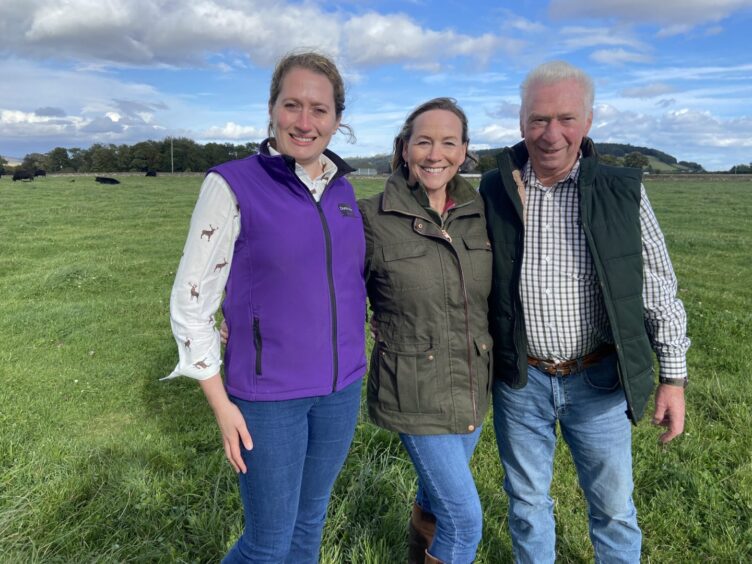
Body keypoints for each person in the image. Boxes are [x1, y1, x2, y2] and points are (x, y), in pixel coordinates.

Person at [479, 61, 690, 563]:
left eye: (566, 119)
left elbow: (659, 287)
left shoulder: (623, 191)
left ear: (589, 122)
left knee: (613, 508)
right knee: (528, 503)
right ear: (521, 122)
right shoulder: (494, 189)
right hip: (521, 381)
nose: (551, 133)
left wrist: (673, 379)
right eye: (538, 119)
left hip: (597, 379)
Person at [165, 51, 366, 563]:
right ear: (271, 109)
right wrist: (221, 403)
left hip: (341, 391)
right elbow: (191, 302)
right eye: (292, 105)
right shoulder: (232, 184)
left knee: (309, 522)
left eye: (319, 110)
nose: (305, 121)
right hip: (269, 398)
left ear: (337, 120)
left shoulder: (343, 190)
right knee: (267, 544)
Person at [359, 98, 493, 564]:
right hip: (414, 388)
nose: (436, 154)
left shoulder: (479, 211)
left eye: (448, 142)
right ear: (405, 148)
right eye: (424, 141)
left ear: (464, 151)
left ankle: (418, 550)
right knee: (463, 519)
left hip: (474, 383)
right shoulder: (371, 217)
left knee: (437, 501)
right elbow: (327, 290)